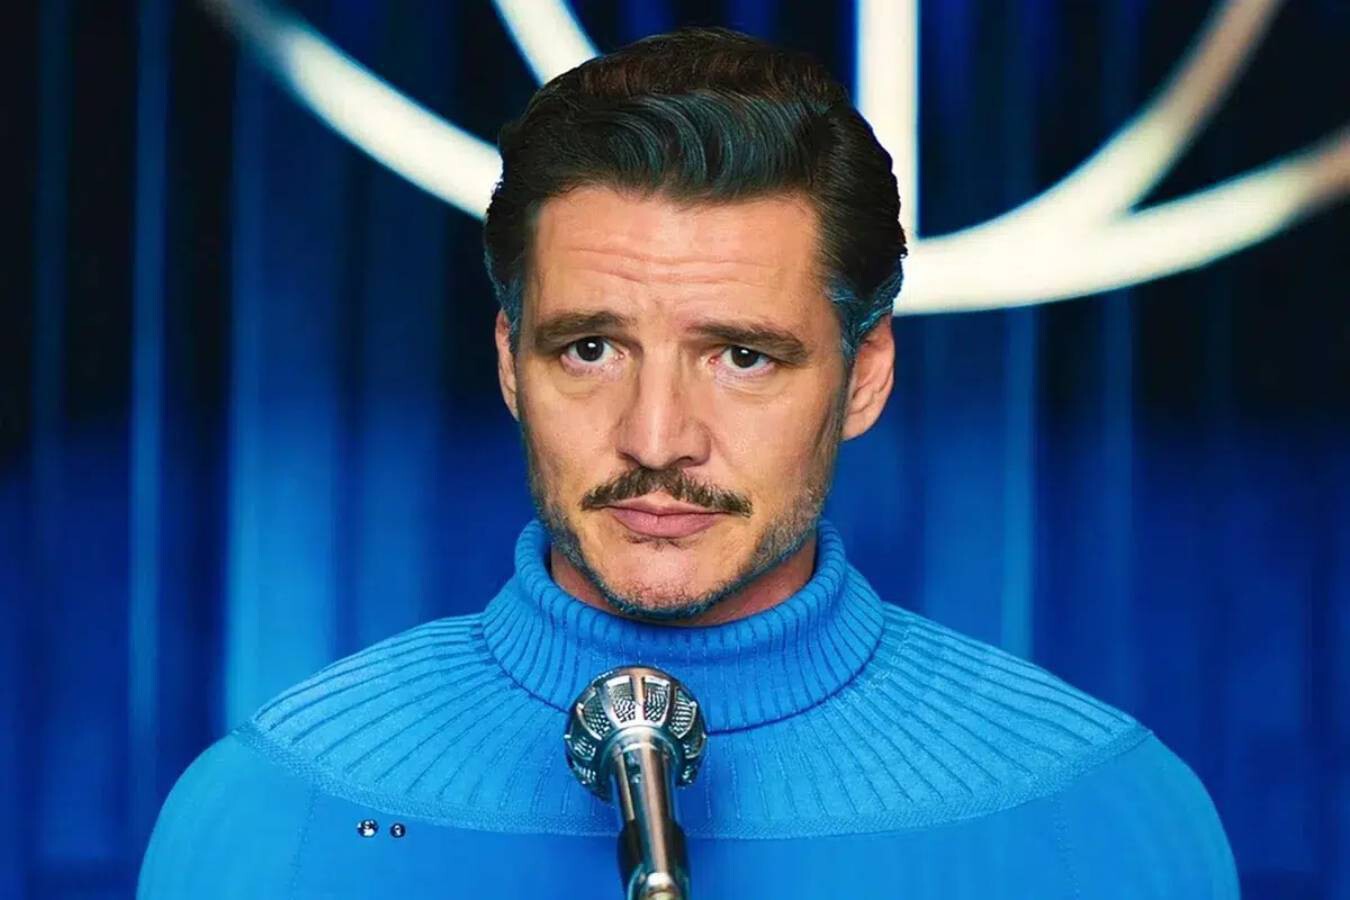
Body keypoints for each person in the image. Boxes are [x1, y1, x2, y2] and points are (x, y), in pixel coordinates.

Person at [138, 27, 1237, 899]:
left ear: (863, 376)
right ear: (512, 365)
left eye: (744, 357)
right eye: (591, 348)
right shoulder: (272, 810)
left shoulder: (1101, 817)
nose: (658, 438)